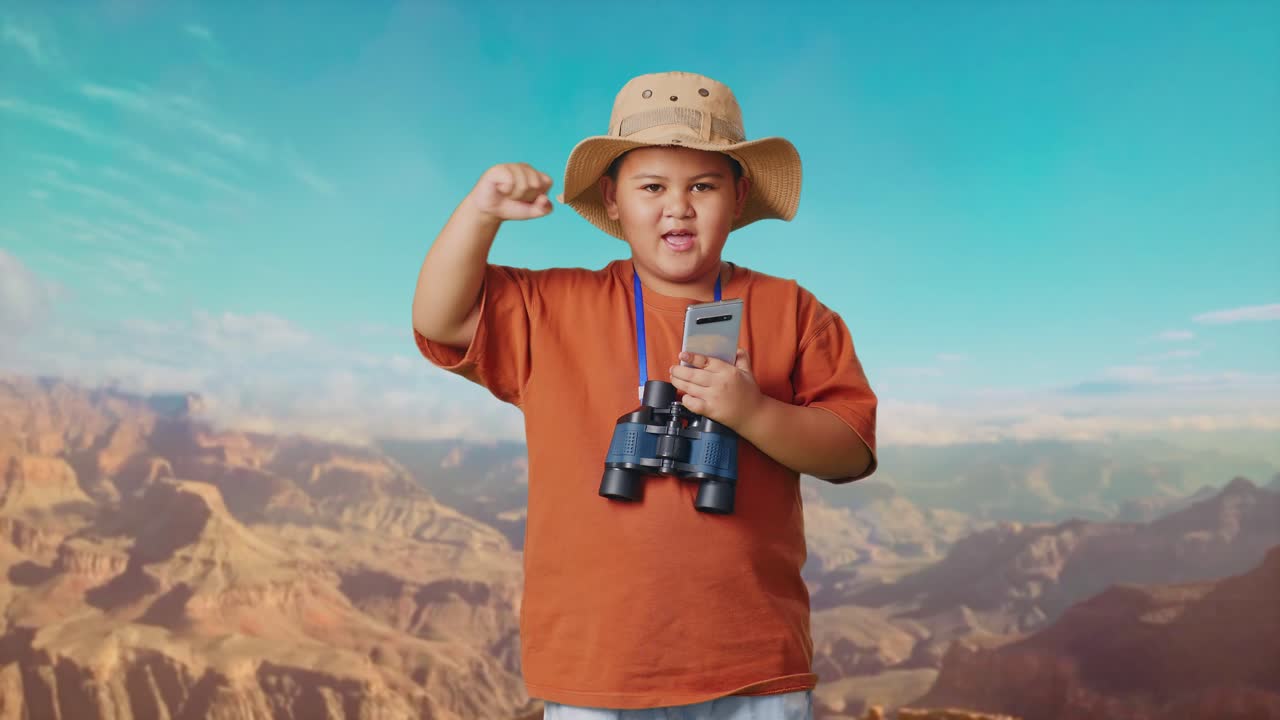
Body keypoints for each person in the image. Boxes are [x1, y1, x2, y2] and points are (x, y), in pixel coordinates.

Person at [411, 71, 878, 720]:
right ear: (613, 200)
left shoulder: (794, 311)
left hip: (753, 667)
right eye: (652, 187)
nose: (677, 207)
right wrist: (479, 213)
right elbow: (440, 320)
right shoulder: (555, 306)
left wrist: (751, 413)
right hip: (597, 666)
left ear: (739, 198)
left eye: (704, 186)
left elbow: (850, 451)